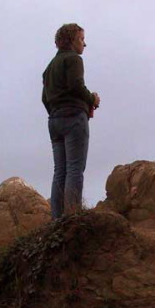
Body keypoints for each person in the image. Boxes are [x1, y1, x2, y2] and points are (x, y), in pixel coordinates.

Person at [42, 23, 100, 220]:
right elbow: (76, 85)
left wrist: (56, 110)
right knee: (75, 168)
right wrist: (92, 99)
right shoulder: (74, 59)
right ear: (71, 41)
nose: (85, 44)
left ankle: (57, 220)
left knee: (60, 171)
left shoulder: (49, 68)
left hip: (54, 121)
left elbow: (44, 98)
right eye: (82, 39)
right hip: (74, 118)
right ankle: (72, 218)